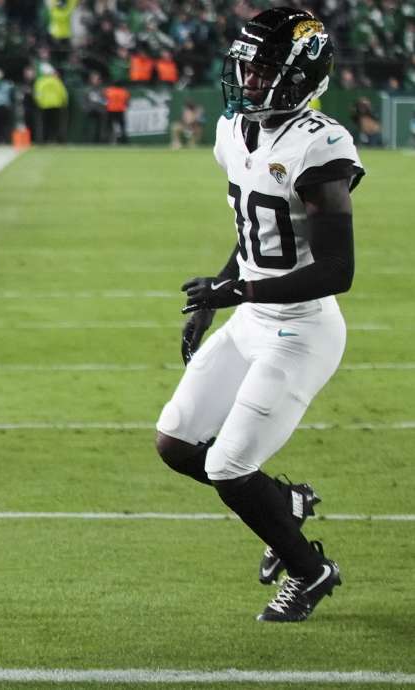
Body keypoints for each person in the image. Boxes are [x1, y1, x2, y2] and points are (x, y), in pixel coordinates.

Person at [155, 8, 361, 623]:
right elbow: (254, 240)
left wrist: (237, 295)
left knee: (227, 465)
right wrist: (219, 294)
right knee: (176, 443)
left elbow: (337, 271)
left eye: (264, 67)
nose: (248, 79)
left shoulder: (320, 146)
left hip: (300, 330)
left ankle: (310, 570)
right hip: (251, 318)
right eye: (245, 65)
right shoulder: (233, 131)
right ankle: (287, 502)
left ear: (302, 75)